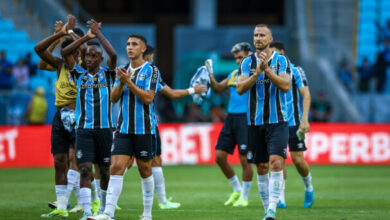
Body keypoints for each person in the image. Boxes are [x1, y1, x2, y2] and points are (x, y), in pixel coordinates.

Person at [92, 34, 160, 220]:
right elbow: (113, 98)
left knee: (145, 170)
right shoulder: (121, 70)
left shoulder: (151, 70)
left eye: (135, 44)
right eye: (128, 44)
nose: (130, 47)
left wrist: (129, 82)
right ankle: (108, 213)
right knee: (115, 167)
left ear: (143, 49)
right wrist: (121, 82)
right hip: (123, 129)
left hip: (144, 129)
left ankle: (147, 214)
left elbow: (148, 97)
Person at [62, 19, 117, 220]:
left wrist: (98, 35)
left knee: (104, 171)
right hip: (83, 129)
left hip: (104, 129)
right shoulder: (79, 74)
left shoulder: (109, 75)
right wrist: (85, 37)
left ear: (100, 59)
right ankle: (87, 213)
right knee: (84, 169)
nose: (89, 59)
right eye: (87, 56)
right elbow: (65, 54)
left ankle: (104, 210)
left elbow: (114, 55)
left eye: (94, 56)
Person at [236, 24, 291, 220]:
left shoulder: (281, 61)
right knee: (261, 167)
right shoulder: (246, 63)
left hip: (278, 121)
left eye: (262, 35)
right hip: (254, 122)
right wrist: (257, 73)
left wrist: (267, 71)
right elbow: (240, 89)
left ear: (270, 39)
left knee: (276, 163)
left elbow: (285, 86)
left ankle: (272, 211)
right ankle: (267, 208)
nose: (258, 38)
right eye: (255, 35)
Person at [144, 45, 206, 209]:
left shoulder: (126, 71)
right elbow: (171, 93)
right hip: (143, 125)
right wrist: (194, 90)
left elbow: (170, 93)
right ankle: (161, 202)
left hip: (141, 124)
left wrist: (193, 90)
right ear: (149, 56)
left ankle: (162, 201)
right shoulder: (150, 71)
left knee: (131, 163)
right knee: (128, 164)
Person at [34, 15, 79, 218]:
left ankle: (89, 200)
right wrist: (57, 35)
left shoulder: (85, 67)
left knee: (77, 160)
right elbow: (40, 56)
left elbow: (79, 42)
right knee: (60, 160)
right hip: (60, 116)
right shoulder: (60, 65)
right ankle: (62, 204)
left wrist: (67, 33)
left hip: (80, 117)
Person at [208, 42, 253, 207]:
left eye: (240, 57)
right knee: (219, 157)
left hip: (246, 118)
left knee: (244, 159)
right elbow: (219, 88)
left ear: (249, 56)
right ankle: (237, 189)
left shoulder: (254, 74)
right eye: (236, 58)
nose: (237, 61)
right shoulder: (235, 73)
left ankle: (245, 197)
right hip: (231, 118)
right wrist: (211, 76)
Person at [270, 41, 314, 209]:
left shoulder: (296, 70)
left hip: (294, 122)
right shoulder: (270, 72)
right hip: (275, 122)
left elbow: (306, 95)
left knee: (297, 159)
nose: (272, 55)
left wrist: (305, 119)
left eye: (274, 52)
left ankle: (308, 186)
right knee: (277, 160)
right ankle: (280, 197)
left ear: (282, 51)